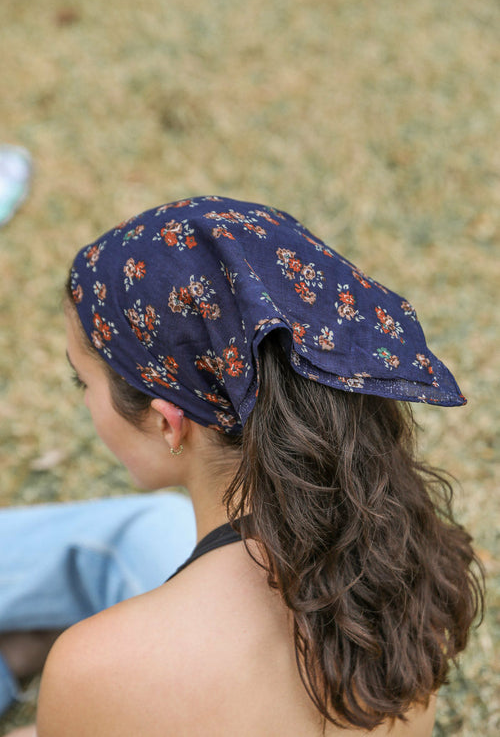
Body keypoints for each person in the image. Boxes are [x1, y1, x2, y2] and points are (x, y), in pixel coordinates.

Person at [4, 195, 483, 736]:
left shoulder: (94, 667)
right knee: (150, 528)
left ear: (167, 423)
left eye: (82, 383)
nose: (85, 401)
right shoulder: (398, 563)